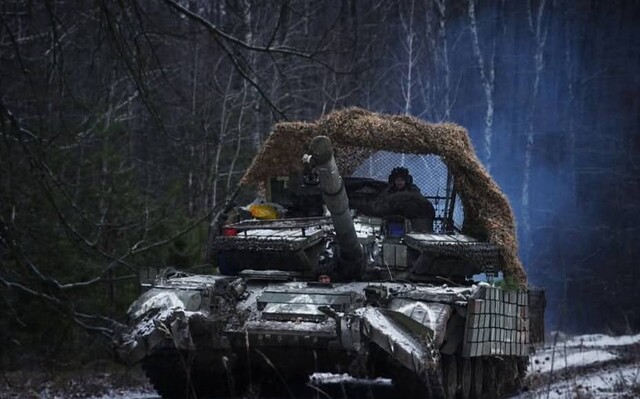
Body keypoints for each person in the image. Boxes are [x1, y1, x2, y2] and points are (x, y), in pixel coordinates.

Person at [375, 167, 435, 232]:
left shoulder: (412, 190)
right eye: (397, 180)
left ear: (406, 181)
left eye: (402, 180)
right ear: (394, 181)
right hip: (392, 221)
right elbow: (381, 205)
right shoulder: (389, 191)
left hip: (411, 221)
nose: (399, 183)